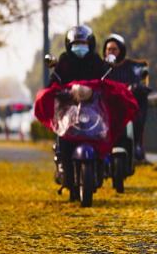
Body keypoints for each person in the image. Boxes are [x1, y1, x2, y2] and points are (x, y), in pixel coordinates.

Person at [50, 25, 109, 200]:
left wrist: (100, 89)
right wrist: (58, 89)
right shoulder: (64, 61)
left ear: (90, 44)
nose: (80, 47)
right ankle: (63, 168)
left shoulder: (97, 61)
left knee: (102, 134)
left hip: (92, 109)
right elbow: (54, 81)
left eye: (83, 43)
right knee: (63, 139)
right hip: (69, 110)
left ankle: (102, 165)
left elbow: (106, 79)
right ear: (69, 45)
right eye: (76, 43)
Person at [103, 33, 151, 162]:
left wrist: (135, 87)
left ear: (121, 50)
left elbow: (140, 81)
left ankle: (136, 145)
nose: (111, 52)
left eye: (114, 49)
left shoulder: (131, 66)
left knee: (137, 116)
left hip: (127, 105)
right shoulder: (101, 66)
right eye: (108, 49)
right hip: (106, 107)